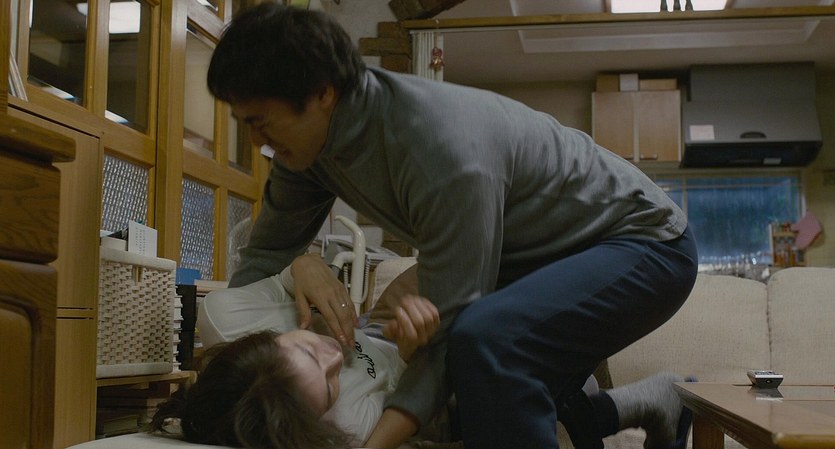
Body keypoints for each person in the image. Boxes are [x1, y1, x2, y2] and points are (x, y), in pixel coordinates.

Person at [207, 4, 700, 449]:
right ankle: (656, 401)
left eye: (261, 122)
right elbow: (264, 260)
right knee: (490, 389)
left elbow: (451, 331)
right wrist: (233, 388)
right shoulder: (306, 151)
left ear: (322, 93)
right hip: (535, 260)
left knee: (487, 342)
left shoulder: (441, 149)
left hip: (647, 243)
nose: (256, 141)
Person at [151, 262, 442, 449]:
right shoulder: (347, 425)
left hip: (373, 321)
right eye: (330, 387)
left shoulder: (226, 316)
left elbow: (285, 280)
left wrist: (305, 267)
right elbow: (407, 392)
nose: (336, 358)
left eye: (309, 350)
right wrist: (408, 352)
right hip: (406, 349)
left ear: (268, 338)